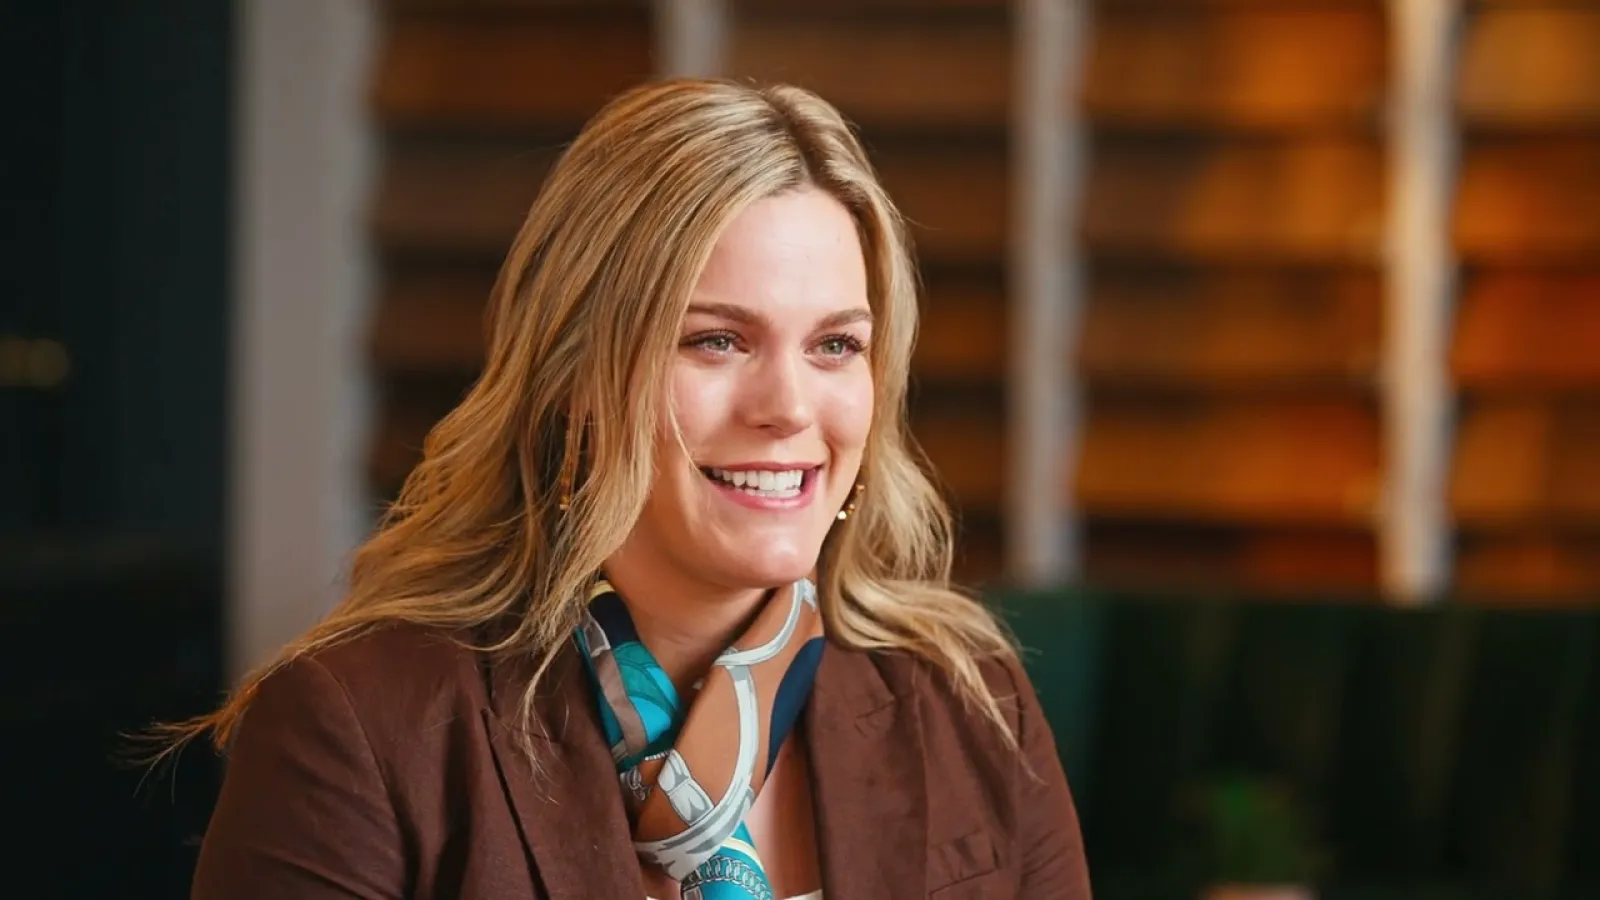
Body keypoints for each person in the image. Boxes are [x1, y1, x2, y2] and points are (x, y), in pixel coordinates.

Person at [182, 78, 1090, 899]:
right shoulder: (359, 730)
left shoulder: (973, 706)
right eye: (716, 341)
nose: (787, 407)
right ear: (576, 376)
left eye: (835, 345)